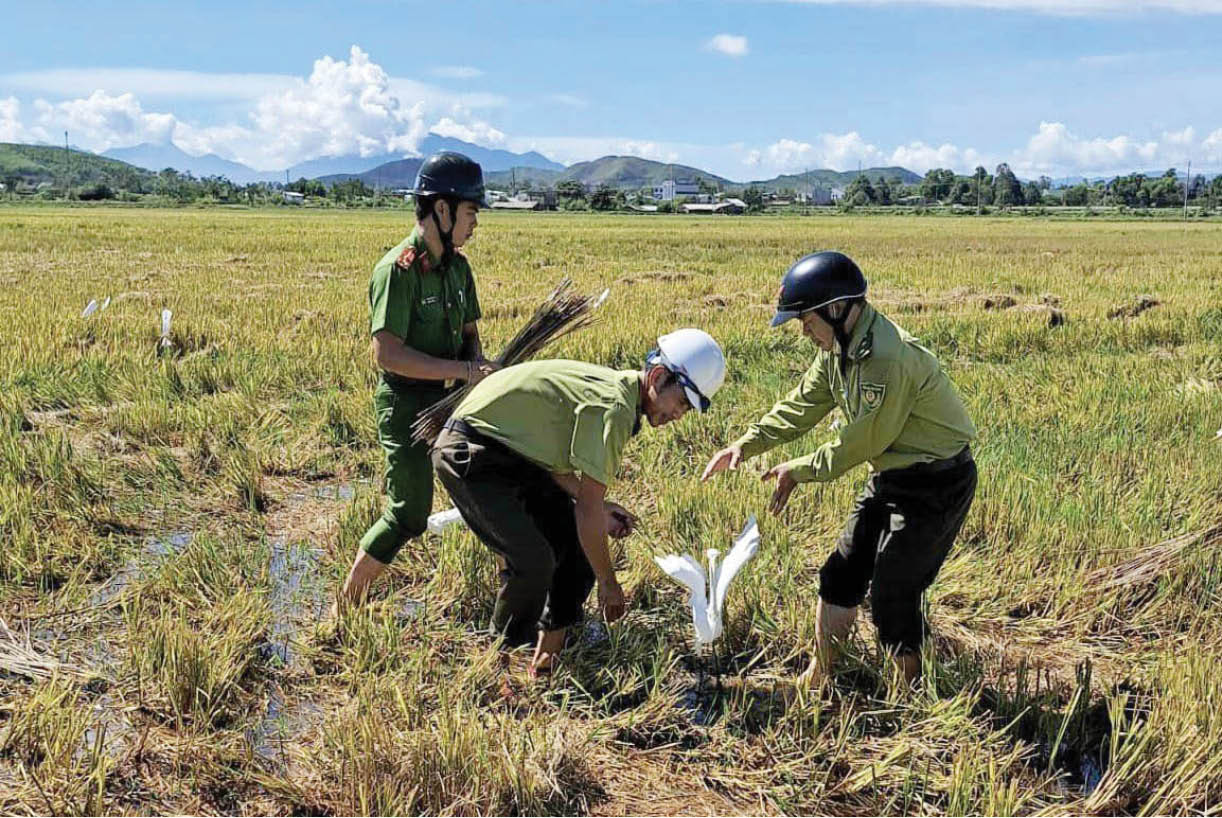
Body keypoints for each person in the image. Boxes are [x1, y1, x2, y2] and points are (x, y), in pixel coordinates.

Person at [701, 251, 977, 684]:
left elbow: (861, 442)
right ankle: (820, 676)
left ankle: (910, 692)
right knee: (840, 572)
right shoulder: (838, 349)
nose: (804, 331)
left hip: (937, 482)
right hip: (892, 476)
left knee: (893, 594)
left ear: (836, 309)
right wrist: (745, 444)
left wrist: (800, 469)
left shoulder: (888, 357)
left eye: (806, 320)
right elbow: (802, 405)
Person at [431, 329, 727, 678]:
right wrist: (609, 582)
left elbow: (555, 466)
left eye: (688, 410)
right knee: (533, 560)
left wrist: (599, 509)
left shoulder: (621, 397)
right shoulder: (615, 407)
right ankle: (498, 671)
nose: (679, 415)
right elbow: (585, 508)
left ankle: (544, 666)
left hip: (514, 457)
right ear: (659, 377)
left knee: (577, 552)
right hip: (471, 453)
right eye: (681, 403)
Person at [334, 151, 498, 612]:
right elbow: (387, 353)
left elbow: (469, 333)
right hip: (408, 406)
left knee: (492, 484)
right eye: (470, 212)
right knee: (409, 514)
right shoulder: (397, 270)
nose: (475, 223)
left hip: (454, 401)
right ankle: (345, 604)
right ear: (441, 210)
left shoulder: (459, 269)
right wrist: (463, 372)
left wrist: (478, 368)